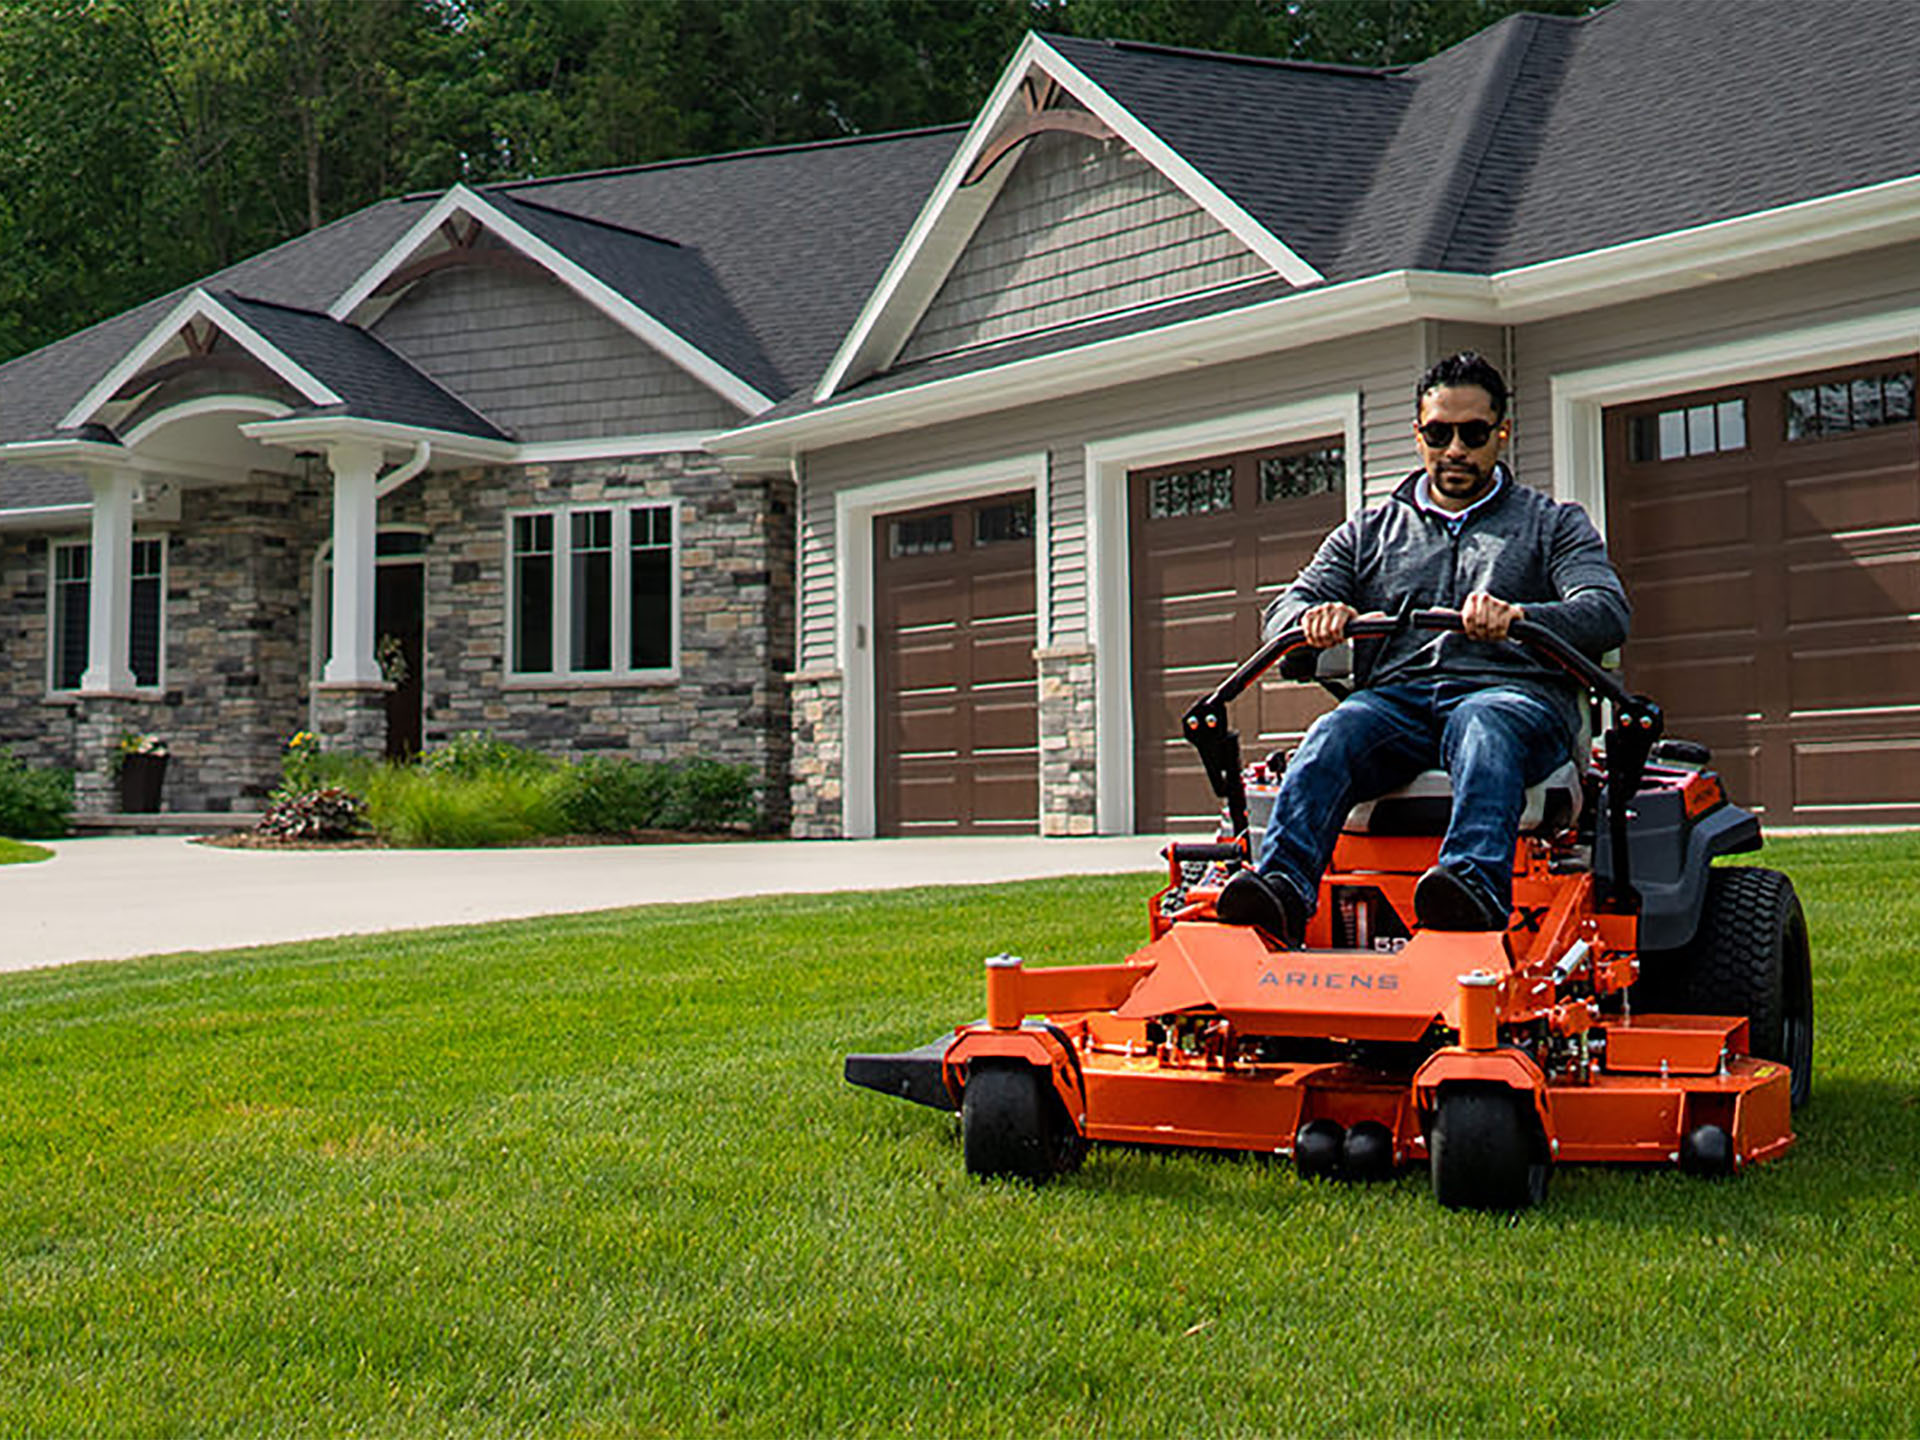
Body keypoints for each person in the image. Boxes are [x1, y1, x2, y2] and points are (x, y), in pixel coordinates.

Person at [1215, 352, 1630, 940]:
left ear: (1500, 435)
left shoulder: (1554, 525)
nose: (1455, 448)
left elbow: (1605, 611)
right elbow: (1282, 612)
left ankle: (1472, 888)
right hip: (1400, 705)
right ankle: (1281, 889)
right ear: (1418, 435)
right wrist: (1314, 618)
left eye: (1473, 433)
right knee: (1332, 731)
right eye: (1439, 432)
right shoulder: (1368, 532)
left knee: (1484, 722)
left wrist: (1519, 617)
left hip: (1514, 699)